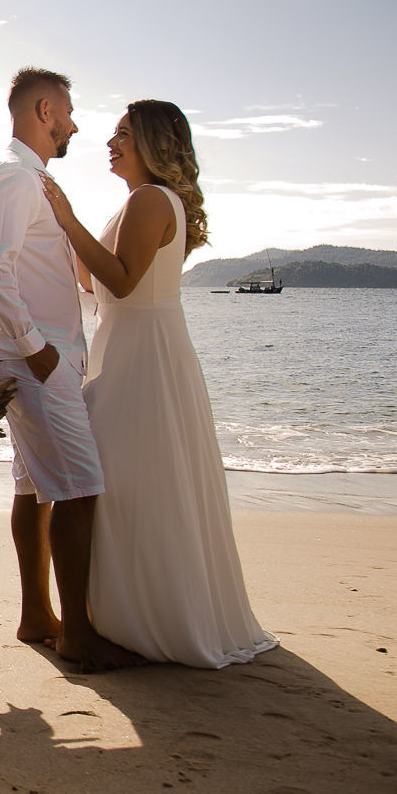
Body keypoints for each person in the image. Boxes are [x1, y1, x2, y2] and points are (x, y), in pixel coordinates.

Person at [40, 99, 278, 668]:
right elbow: (95, 280)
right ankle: (128, 612)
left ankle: (138, 617)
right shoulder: (140, 202)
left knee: (124, 482)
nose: (110, 142)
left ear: (152, 142)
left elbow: (121, 284)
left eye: (122, 134)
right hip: (132, 348)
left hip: (141, 356)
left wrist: (68, 220)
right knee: (132, 481)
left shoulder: (149, 200)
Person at [0, 67, 143, 670]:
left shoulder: (31, 181)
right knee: (81, 485)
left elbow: (50, 271)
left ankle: (37, 616)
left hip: (42, 356)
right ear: (44, 110)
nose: (73, 124)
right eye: (68, 111)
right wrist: (34, 346)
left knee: (33, 485)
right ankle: (78, 635)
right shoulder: (15, 180)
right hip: (35, 360)